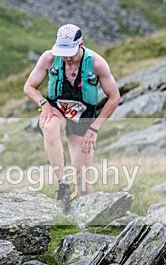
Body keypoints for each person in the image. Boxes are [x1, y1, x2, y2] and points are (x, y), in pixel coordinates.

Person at [23, 24, 120, 208]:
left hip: (84, 117)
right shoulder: (49, 58)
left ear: (81, 44)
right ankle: (63, 185)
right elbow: (29, 87)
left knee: (83, 180)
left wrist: (94, 128)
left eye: (70, 52)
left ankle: (84, 221)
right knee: (49, 127)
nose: (66, 57)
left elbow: (114, 97)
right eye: (62, 52)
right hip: (56, 110)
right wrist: (43, 105)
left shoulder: (97, 63)